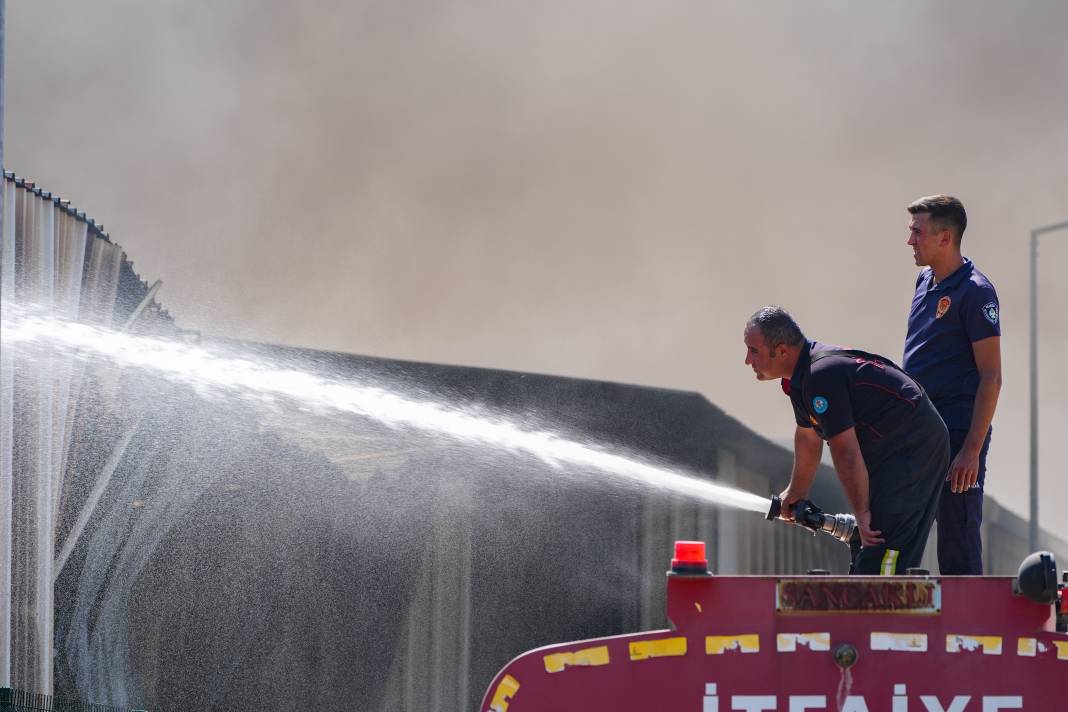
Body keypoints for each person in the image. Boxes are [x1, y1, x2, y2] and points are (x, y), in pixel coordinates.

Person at [743, 306, 950, 575]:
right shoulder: (802, 379)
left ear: (782, 351)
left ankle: (881, 608)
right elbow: (808, 437)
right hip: (894, 451)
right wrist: (796, 492)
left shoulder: (820, 376)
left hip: (913, 449)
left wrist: (862, 514)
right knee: (875, 545)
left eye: (753, 350)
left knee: (881, 548)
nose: (747, 360)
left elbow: (846, 452)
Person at [903, 195, 1001, 575]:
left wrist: (971, 451)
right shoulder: (924, 280)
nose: (910, 240)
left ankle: (969, 630)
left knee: (957, 538)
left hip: (957, 432)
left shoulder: (976, 292)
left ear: (945, 238)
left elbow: (991, 376)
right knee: (897, 524)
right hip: (918, 427)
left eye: (917, 232)